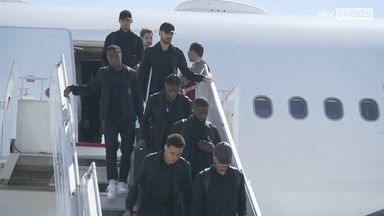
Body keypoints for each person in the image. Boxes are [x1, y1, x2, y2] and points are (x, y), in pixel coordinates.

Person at [64, 45, 143, 198]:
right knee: (111, 149)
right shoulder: (103, 73)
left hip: (127, 117)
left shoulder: (131, 74)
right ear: (107, 58)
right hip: (109, 118)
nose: (114, 59)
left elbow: (138, 99)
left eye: (116, 56)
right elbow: (91, 88)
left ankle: (123, 182)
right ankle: (112, 182)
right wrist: (73, 89)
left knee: (127, 150)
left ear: (121, 55)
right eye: (111, 56)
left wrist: (142, 120)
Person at [124, 134, 193, 216]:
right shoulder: (149, 161)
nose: (174, 157)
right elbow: (135, 185)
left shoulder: (184, 166)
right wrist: (128, 209)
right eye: (172, 153)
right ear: (165, 147)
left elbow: (188, 193)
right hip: (148, 210)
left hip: (171, 211)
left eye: (178, 154)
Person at [139, 22, 210, 100]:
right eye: (166, 32)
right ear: (160, 33)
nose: (169, 36)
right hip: (155, 95)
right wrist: (142, 96)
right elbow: (143, 75)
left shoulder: (177, 53)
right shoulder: (150, 52)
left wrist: (203, 78)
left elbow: (186, 72)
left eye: (171, 34)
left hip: (172, 95)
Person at [137, 74, 192, 153]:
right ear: (165, 86)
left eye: (176, 91)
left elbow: (189, 123)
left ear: (180, 88)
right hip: (157, 140)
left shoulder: (186, 102)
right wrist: (142, 138)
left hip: (176, 142)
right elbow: (145, 120)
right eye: (170, 90)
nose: (173, 94)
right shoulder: (154, 99)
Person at [168, 97, 221, 178]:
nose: (202, 116)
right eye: (200, 113)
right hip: (182, 177)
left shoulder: (212, 130)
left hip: (205, 179)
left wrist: (213, 149)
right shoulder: (179, 127)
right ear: (193, 109)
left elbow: (222, 156)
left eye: (205, 113)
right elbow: (167, 152)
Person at [191, 142, 247, 216]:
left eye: (226, 164)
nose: (223, 166)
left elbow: (242, 205)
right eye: (221, 163)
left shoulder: (238, 176)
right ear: (214, 157)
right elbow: (196, 208)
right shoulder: (202, 177)